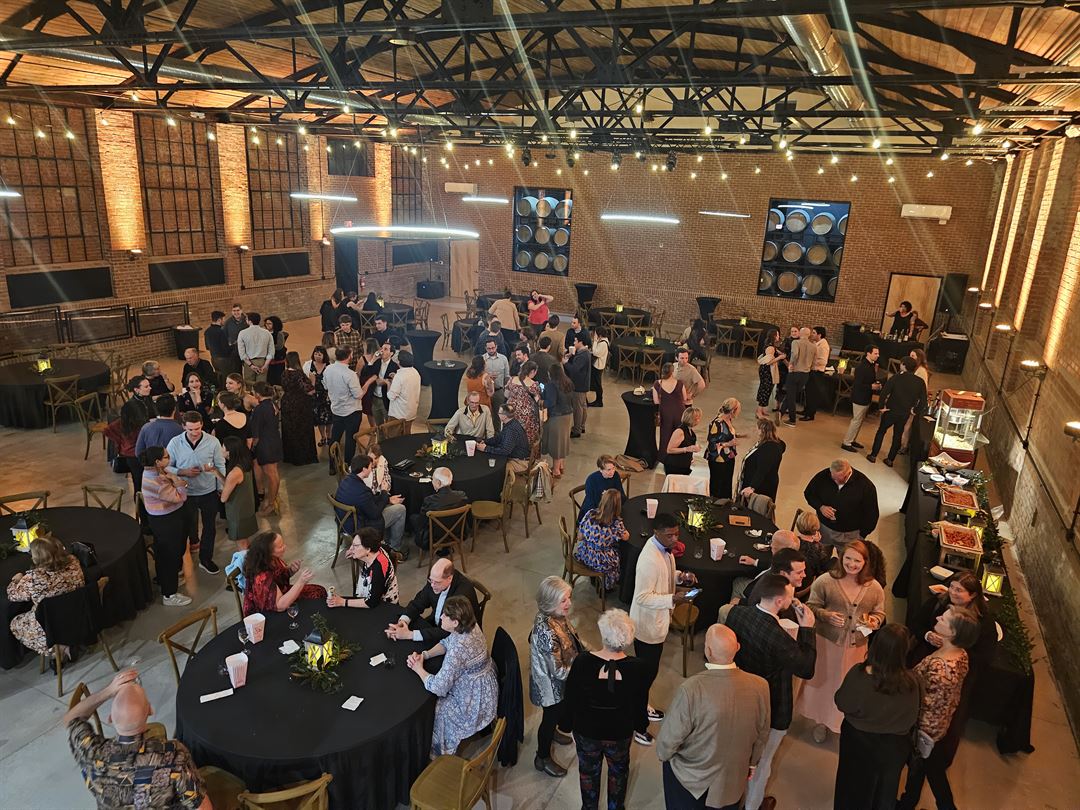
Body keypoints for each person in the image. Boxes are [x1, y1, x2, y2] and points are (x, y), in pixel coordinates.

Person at [725, 575, 817, 810]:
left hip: (739, 698)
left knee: (738, 754)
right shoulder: (778, 637)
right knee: (762, 762)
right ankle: (752, 805)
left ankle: (732, 799)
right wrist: (807, 629)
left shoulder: (737, 614)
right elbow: (806, 669)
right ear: (779, 601)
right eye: (790, 595)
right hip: (772, 705)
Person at [656, 624, 771, 810]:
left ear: (707, 650)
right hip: (732, 781)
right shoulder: (761, 686)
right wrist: (751, 764)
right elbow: (762, 733)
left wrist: (665, 755)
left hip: (691, 781)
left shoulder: (692, 689)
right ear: (737, 647)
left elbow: (667, 743)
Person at [65, 670, 210, 810]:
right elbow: (199, 805)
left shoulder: (91, 752)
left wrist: (108, 691)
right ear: (150, 711)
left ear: (110, 718)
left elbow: (71, 719)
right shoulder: (174, 755)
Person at [796, 540, 886, 743]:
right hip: (827, 643)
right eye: (848, 559)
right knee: (824, 683)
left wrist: (874, 621)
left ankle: (842, 721)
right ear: (841, 557)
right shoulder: (825, 581)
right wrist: (826, 616)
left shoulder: (874, 587)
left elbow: (879, 612)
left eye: (857, 561)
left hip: (857, 646)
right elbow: (811, 606)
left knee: (848, 685)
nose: (852, 564)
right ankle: (821, 721)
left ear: (865, 562)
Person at [562, 609, 649, 810]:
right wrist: (641, 726)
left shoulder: (583, 661)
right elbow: (640, 702)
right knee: (618, 772)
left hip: (586, 731)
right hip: (619, 733)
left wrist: (567, 724)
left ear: (603, 633)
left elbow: (571, 697)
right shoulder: (639, 668)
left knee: (588, 772)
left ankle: (589, 807)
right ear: (628, 638)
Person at [896, 607, 980, 810]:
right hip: (939, 725)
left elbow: (926, 702)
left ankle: (912, 804)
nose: (938, 617)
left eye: (944, 619)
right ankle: (911, 802)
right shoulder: (960, 653)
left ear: (952, 632)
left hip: (925, 729)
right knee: (928, 769)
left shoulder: (940, 669)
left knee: (924, 769)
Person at [833, 624, 920, 810]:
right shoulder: (912, 682)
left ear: (876, 645)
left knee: (852, 787)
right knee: (884, 791)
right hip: (893, 748)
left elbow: (842, 703)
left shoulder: (858, 675)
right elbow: (912, 717)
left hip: (857, 742)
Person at [631, 512, 699, 745]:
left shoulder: (665, 550)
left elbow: (666, 574)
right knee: (643, 678)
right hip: (647, 628)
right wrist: (672, 599)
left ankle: (642, 706)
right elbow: (642, 597)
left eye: (677, 534)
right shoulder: (648, 560)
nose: (675, 539)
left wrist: (680, 577)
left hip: (658, 623)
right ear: (656, 533)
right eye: (669, 535)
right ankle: (638, 726)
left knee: (648, 674)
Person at [407, 596, 499, 756]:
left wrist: (418, 668)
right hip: (485, 682)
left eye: (445, 615)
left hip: (476, 699)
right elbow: (446, 642)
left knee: (437, 709)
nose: (441, 616)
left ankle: (440, 753)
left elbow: (438, 687)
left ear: (455, 622)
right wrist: (425, 655)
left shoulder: (458, 649)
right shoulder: (470, 625)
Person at [529, 576, 584, 777]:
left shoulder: (556, 615)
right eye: (563, 600)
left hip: (560, 681)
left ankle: (553, 732)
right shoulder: (547, 632)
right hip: (550, 688)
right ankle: (542, 757)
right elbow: (559, 671)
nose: (569, 603)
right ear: (550, 603)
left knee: (556, 716)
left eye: (569, 597)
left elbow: (572, 639)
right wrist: (583, 669)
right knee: (549, 718)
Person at [165, 412, 225, 574]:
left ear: (202, 425)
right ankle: (179, 562)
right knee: (184, 527)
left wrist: (221, 488)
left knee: (209, 527)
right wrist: (182, 471)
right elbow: (166, 466)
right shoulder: (175, 443)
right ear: (183, 427)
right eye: (191, 429)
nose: (195, 432)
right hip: (186, 493)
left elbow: (220, 465)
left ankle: (206, 559)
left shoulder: (212, 442)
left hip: (208, 491)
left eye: (197, 428)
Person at [7, 536, 86, 656]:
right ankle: (69, 642)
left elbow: (12, 595)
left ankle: (57, 649)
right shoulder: (73, 561)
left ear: (36, 558)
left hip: (50, 625)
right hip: (80, 615)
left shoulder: (33, 579)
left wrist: (16, 580)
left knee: (15, 623)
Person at [139, 446, 191, 606]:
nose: (169, 458)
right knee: (169, 555)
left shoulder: (154, 471)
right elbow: (180, 496)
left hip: (162, 518)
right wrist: (181, 484)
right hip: (166, 520)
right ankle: (169, 594)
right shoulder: (157, 481)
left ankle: (164, 579)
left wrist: (174, 480)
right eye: (166, 456)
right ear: (157, 461)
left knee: (163, 552)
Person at [386, 558, 479, 643]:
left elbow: (447, 631)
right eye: (431, 580)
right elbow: (419, 602)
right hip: (436, 622)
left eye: (437, 582)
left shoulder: (462, 596)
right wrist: (403, 621)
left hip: (456, 638)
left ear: (449, 578)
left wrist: (410, 635)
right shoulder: (435, 581)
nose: (432, 585)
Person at [334, 454, 407, 554]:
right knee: (400, 509)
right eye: (370, 467)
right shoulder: (362, 490)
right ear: (364, 469)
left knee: (391, 506)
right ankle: (395, 549)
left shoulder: (346, 480)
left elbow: (367, 500)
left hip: (344, 523)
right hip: (359, 526)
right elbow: (375, 514)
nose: (371, 470)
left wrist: (388, 500)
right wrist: (384, 492)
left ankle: (386, 543)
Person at [241, 531, 325, 615]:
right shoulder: (262, 576)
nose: (285, 547)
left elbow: (279, 576)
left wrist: (291, 570)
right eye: (280, 546)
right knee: (315, 598)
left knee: (319, 590)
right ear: (269, 551)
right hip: (268, 612)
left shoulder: (272, 558)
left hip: (281, 594)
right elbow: (280, 606)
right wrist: (301, 581)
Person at [867, 355, 928, 466]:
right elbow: (924, 401)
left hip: (890, 410)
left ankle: (873, 455)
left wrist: (881, 407)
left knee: (881, 431)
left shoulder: (896, 377)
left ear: (904, 365)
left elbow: (884, 392)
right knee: (898, 435)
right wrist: (915, 410)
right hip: (904, 413)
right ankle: (890, 460)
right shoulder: (920, 382)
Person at [803, 460, 879, 546]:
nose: (835, 482)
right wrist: (820, 507)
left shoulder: (866, 487)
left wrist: (861, 535)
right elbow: (809, 493)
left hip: (849, 535)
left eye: (839, 479)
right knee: (822, 552)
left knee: (845, 554)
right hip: (823, 528)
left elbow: (872, 514)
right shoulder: (823, 475)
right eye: (833, 478)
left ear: (848, 474)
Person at [106, 376, 155, 501]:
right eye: (146, 386)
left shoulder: (146, 399)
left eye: (149, 385)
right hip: (133, 450)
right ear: (136, 390)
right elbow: (121, 430)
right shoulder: (130, 407)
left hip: (143, 445)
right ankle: (139, 507)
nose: (150, 388)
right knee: (139, 482)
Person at [327, 527, 399, 608]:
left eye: (356, 546)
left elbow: (372, 602)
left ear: (368, 549)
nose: (351, 548)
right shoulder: (376, 549)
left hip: (384, 607)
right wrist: (353, 551)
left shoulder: (378, 569)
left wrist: (342, 602)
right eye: (352, 544)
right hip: (371, 597)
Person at [575, 490, 630, 592]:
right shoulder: (616, 523)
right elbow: (626, 537)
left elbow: (580, 537)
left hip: (585, 555)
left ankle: (594, 578)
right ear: (618, 507)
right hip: (601, 561)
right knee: (619, 556)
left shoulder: (590, 513)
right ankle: (607, 586)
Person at [323, 346, 363, 473]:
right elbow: (358, 395)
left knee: (335, 437)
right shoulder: (350, 374)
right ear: (349, 356)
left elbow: (325, 386)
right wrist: (367, 384)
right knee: (350, 440)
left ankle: (332, 465)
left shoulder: (328, 369)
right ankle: (347, 465)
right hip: (352, 411)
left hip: (336, 409)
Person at [410, 466, 468, 553]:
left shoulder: (429, 501)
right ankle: (447, 547)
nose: (432, 482)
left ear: (438, 483)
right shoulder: (462, 496)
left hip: (433, 538)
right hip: (456, 534)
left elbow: (422, 522)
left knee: (413, 518)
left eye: (433, 480)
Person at [216, 436, 257, 548]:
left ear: (229, 451)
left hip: (237, 511)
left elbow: (223, 498)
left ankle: (246, 560)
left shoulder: (234, 472)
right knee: (245, 540)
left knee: (241, 543)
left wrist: (220, 493)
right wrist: (215, 472)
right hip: (246, 508)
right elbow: (230, 483)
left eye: (223, 447)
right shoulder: (244, 465)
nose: (221, 449)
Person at [743, 548, 807, 619]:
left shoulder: (785, 581)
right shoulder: (772, 598)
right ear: (783, 574)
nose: (804, 575)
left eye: (804, 570)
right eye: (799, 573)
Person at [249, 382, 283, 514]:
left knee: (271, 475)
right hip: (274, 440)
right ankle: (273, 499)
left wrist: (252, 447)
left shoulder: (259, 409)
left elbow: (256, 434)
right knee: (274, 473)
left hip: (265, 444)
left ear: (257, 394)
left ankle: (271, 503)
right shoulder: (273, 404)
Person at [278, 352, 317, 466]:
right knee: (302, 430)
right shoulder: (299, 374)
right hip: (300, 404)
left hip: (287, 403)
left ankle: (290, 456)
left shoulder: (284, 373)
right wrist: (313, 380)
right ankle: (303, 457)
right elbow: (310, 391)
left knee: (289, 430)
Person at [840, 345, 881, 452]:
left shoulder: (871, 365)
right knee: (856, 420)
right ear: (868, 353)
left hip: (866, 396)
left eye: (878, 353)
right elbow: (858, 385)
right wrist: (871, 386)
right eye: (875, 353)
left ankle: (852, 439)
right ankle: (846, 442)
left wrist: (875, 384)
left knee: (860, 420)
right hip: (859, 397)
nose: (878, 355)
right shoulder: (862, 367)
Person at [738, 419, 786, 502]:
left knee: (757, 506)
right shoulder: (776, 443)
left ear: (762, 431)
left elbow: (762, 469)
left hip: (762, 486)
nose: (755, 430)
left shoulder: (769, 449)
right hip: (764, 481)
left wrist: (752, 487)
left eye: (757, 428)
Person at [476, 403, 531, 473]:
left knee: (494, 468)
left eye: (499, 413)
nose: (498, 414)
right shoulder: (511, 422)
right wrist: (486, 442)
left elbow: (505, 451)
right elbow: (499, 438)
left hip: (519, 461)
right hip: (516, 456)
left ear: (504, 416)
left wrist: (486, 448)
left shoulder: (511, 430)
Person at [654, 362, 690, 463]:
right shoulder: (679, 383)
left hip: (665, 412)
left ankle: (664, 457)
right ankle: (680, 456)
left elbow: (656, 401)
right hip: (679, 411)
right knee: (680, 434)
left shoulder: (657, 384)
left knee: (665, 435)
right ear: (672, 372)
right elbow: (685, 398)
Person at [543, 363, 574, 477]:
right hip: (568, 415)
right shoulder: (568, 382)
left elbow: (551, 402)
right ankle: (561, 466)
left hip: (557, 417)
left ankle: (556, 471)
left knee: (556, 444)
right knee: (563, 442)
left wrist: (540, 401)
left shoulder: (551, 385)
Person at [792, 509, 834, 592]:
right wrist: (817, 544)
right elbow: (820, 569)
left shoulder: (791, 542)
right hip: (806, 585)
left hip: (792, 582)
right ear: (816, 528)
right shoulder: (818, 550)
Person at [704, 399, 739, 497]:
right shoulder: (717, 423)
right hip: (719, 459)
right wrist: (728, 444)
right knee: (718, 486)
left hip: (728, 457)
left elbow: (724, 435)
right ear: (733, 411)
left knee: (726, 485)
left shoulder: (728, 420)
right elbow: (712, 444)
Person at [900, 347, 931, 454]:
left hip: (913, 403)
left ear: (919, 358)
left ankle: (904, 446)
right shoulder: (915, 369)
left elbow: (922, 389)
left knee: (907, 425)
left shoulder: (921, 371)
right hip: (909, 401)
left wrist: (915, 405)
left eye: (913, 356)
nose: (910, 358)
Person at [577, 454, 626, 522]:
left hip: (610, 510)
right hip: (595, 512)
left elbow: (621, 495)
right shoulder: (592, 479)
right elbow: (590, 503)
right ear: (600, 469)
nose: (612, 472)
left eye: (613, 468)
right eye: (608, 470)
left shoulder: (615, 475)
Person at [303, 345, 334, 447]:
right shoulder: (308, 365)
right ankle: (323, 437)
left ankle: (329, 436)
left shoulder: (329, 366)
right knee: (319, 419)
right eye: (315, 354)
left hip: (327, 396)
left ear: (324, 355)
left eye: (319, 354)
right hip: (315, 396)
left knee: (328, 418)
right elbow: (304, 380)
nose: (317, 356)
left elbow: (332, 382)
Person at [506, 360, 542, 444]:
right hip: (526, 415)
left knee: (512, 434)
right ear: (532, 371)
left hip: (511, 412)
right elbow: (537, 400)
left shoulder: (512, 379)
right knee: (526, 437)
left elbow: (506, 394)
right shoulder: (534, 384)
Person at [363, 339, 397, 426]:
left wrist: (386, 382)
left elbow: (395, 383)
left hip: (385, 399)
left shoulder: (394, 366)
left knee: (388, 425)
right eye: (381, 348)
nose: (382, 351)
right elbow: (366, 373)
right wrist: (373, 359)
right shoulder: (376, 362)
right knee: (378, 425)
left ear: (391, 353)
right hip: (374, 398)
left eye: (385, 349)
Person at [387, 349, 421, 433]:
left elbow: (391, 396)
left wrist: (388, 383)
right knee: (406, 436)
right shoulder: (415, 372)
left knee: (393, 437)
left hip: (398, 415)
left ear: (399, 362)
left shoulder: (399, 376)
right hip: (411, 412)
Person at [755, 328, 785, 421]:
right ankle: (759, 411)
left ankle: (762, 410)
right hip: (767, 371)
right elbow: (768, 362)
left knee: (767, 389)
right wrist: (780, 357)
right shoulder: (770, 348)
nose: (779, 337)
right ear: (774, 336)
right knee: (765, 390)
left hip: (766, 371)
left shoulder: (772, 346)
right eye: (777, 335)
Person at [237, 312, 274, 383]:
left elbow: (242, 353)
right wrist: (265, 365)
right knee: (261, 386)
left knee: (249, 385)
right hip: (263, 362)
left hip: (249, 362)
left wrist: (251, 365)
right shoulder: (267, 333)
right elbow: (271, 352)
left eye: (246, 319)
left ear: (250, 321)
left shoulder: (242, 333)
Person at [666, 406, 703, 477]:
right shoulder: (680, 431)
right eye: (698, 418)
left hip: (683, 465)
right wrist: (687, 449)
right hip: (675, 466)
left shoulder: (690, 430)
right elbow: (669, 450)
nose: (699, 420)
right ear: (693, 419)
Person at [481, 337, 511, 414]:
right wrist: (488, 377)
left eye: (493, 348)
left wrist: (506, 390)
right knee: (486, 414)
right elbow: (479, 376)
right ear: (485, 348)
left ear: (496, 346)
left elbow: (507, 375)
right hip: (485, 392)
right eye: (489, 348)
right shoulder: (482, 359)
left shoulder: (503, 359)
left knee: (499, 414)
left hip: (499, 391)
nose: (491, 350)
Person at [204, 310, 231, 384]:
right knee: (226, 379)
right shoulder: (221, 332)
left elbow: (207, 347)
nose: (224, 321)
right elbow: (226, 349)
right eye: (223, 319)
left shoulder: (207, 331)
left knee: (219, 377)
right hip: (223, 360)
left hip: (213, 359)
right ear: (219, 320)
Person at [264, 315, 288, 386]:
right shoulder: (265, 333)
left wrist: (267, 346)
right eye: (266, 323)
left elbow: (279, 346)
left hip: (278, 360)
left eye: (269, 324)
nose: (267, 325)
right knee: (269, 378)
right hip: (268, 360)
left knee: (278, 378)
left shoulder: (279, 334)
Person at [589, 326, 610, 407]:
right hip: (598, 365)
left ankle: (599, 401)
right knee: (597, 383)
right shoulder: (603, 341)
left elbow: (595, 353)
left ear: (600, 335)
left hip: (598, 366)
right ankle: (598, 400)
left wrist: (595, 341)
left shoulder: (603, 343)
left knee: (598, 384)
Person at [224, 303, 247, 374]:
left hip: (246, 349)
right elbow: (224, 335)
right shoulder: (228, 322)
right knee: (237, 371)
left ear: (241, 311)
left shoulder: (247, 320)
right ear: (232, 312)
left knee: (248, 370)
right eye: (234, 311)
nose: (236, 312)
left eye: (238, 310)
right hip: (235, 351)